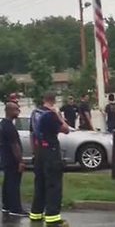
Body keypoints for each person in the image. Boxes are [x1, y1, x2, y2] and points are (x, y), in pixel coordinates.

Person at [29, 92, 70, 226]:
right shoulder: (51, 115)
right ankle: (53, 217)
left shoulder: (35, 113)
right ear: (54, 101)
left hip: (39, 151)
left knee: (39, 183)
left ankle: (36, 214)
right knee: (53, 184)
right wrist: (58, 114)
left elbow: (32, 135)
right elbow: (66, 129)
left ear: (43, 99)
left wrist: (35, 153)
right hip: (51, 151)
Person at [0, 102, 28, 217]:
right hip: (12, 160)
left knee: (7, 182)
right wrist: (20, 161)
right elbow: (14, 145)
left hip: (5, 158)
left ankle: (6, 206)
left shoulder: (3, 124)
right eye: (16, 109)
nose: (18, 111)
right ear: (9, 111)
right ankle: (15, 208)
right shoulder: (9, 127)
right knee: (13, 183)